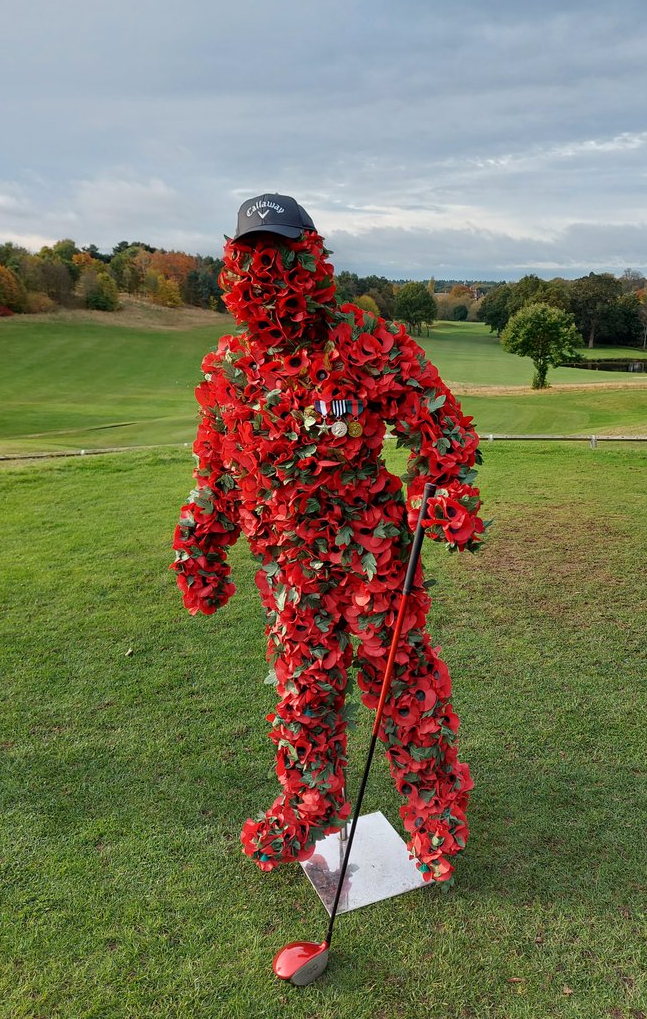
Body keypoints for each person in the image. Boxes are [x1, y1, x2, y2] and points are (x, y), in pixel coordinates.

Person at [171, 194, 483, 883]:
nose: (266, 271)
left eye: (280, 255)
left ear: (310, 259)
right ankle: (310, 801)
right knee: (303, 692)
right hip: (289, 571)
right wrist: (199, 543)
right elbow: (217, 471)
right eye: (252, 257)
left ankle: (434, 811)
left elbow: (441, 430)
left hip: (371, 554)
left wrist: (446, 488)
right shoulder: (230, 369)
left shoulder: (358, 344)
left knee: (402, 681)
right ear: (232, 268)